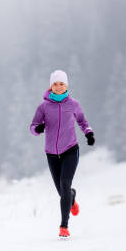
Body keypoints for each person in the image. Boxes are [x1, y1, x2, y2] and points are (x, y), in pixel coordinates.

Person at [29, 70, 94, 238]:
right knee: (62, 192)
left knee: (65, 184)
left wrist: (88, 133)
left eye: (61, 84)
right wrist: (38, 129)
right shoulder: (43, 107)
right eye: (55, 84)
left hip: (71, 150)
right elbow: (33, 126)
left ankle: (64, 226)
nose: (58, 87)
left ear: (66, 85)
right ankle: (71, 197)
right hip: (51, 153)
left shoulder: (73, 104)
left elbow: (82, 121)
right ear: (51, 86)